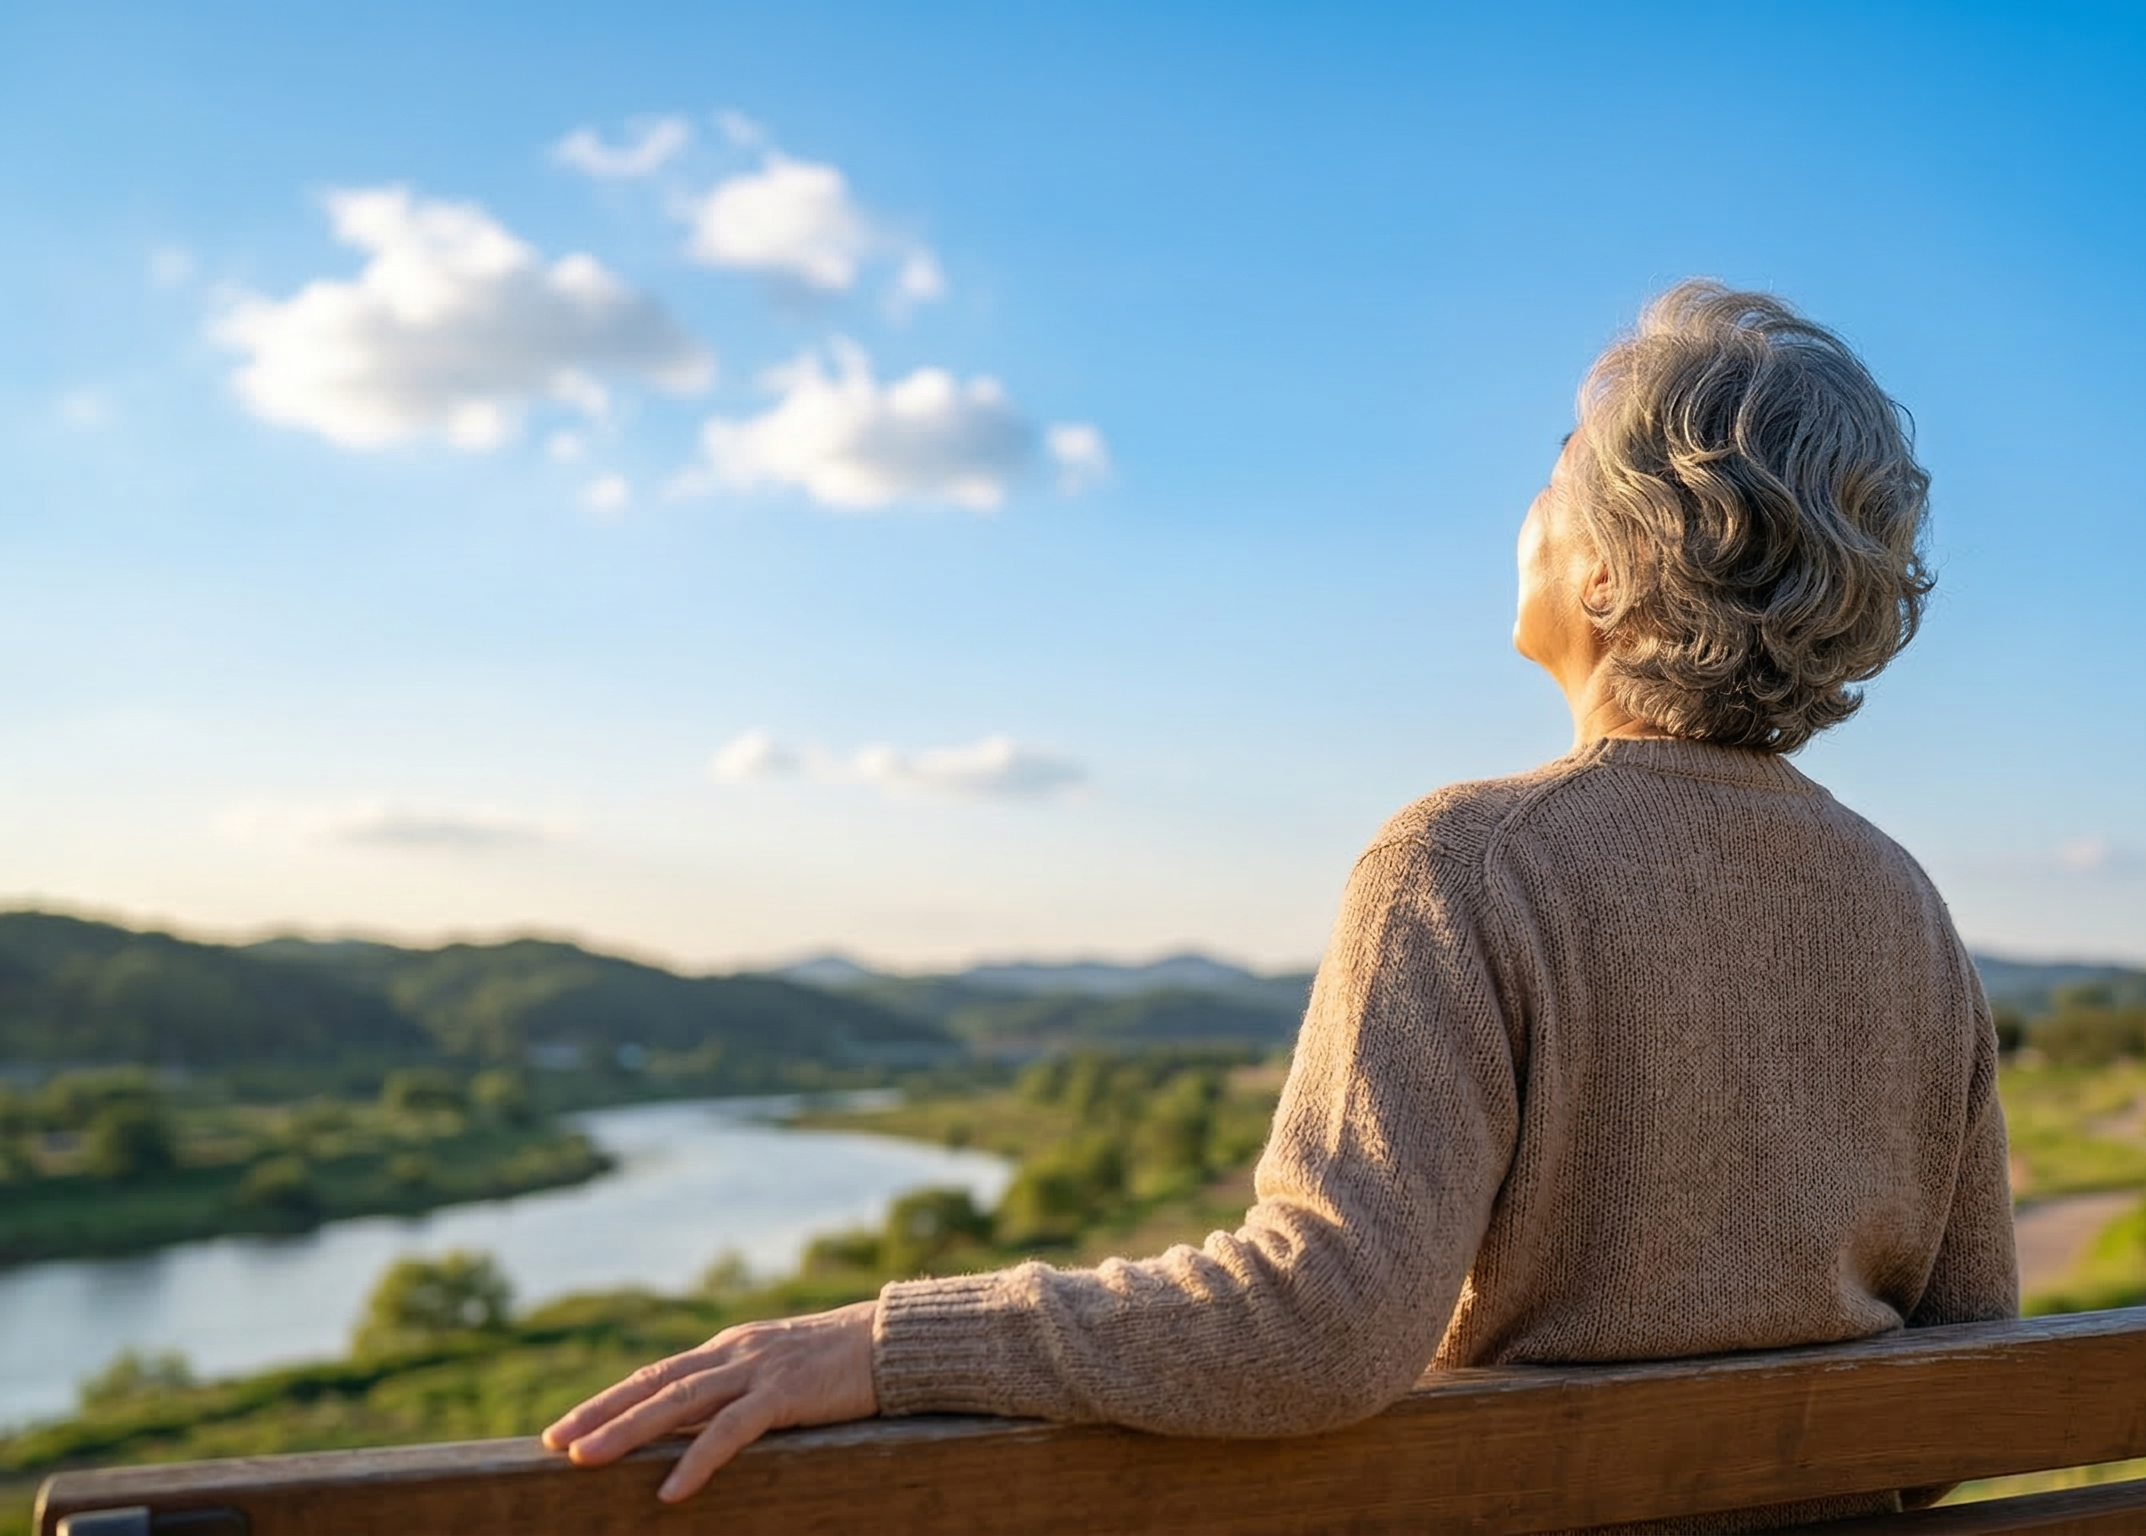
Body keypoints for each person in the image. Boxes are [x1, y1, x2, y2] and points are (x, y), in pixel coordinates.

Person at [542, 280, 2019, 1526]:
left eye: (1557, 463)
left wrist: (888, 1342)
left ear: (1623, 564)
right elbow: (1968, 1376)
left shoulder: (1466, 863)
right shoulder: (1904, 905)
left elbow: (1320, 1322)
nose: (1528, 499)